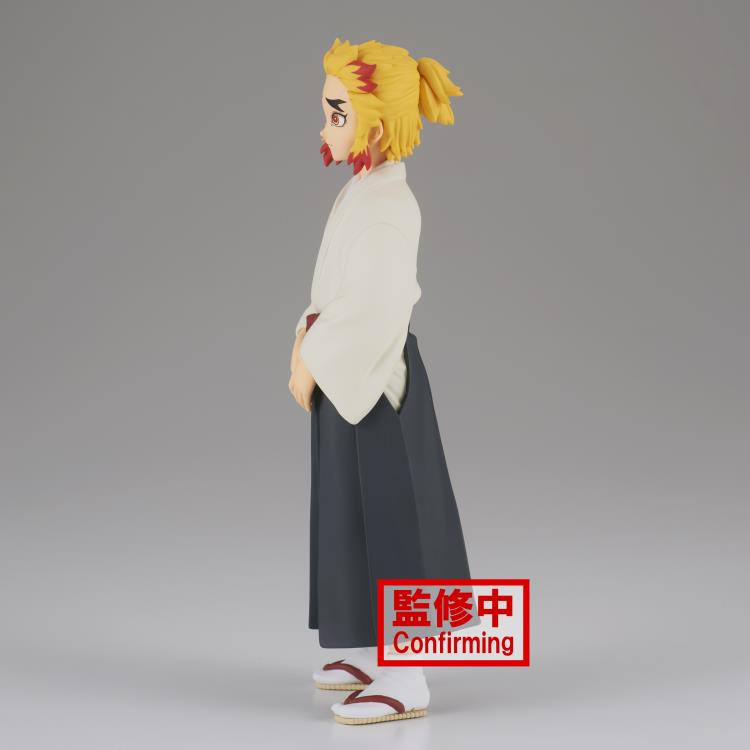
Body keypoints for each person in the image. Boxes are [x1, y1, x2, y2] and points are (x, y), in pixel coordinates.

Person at [288, 37, 471, 726]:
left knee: (392, 521)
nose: (325, 128)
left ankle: (408, 675)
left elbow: (375, 306)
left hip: (374, 386)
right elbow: (335, 293)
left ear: (374, 122)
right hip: (349, 379)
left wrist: (311, 357)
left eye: (337, 114)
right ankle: (374, 651)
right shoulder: (365, 192)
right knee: (352, 519)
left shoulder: (390, 205)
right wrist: (307, 340)